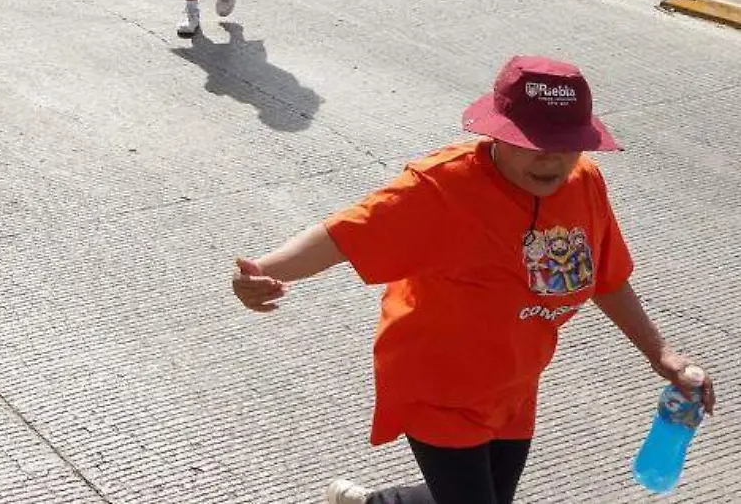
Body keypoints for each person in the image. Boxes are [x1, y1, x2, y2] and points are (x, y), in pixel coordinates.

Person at [235, 55, 716, 504]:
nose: (550, 159)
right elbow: (341, 236)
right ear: (498, 134)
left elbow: (605, 276)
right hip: (438, 384)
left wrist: (662, 354)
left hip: (514, 381)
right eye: (532, 143)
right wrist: (263, 272)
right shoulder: (443, 187)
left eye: (565, 144)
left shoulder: (584, 182)